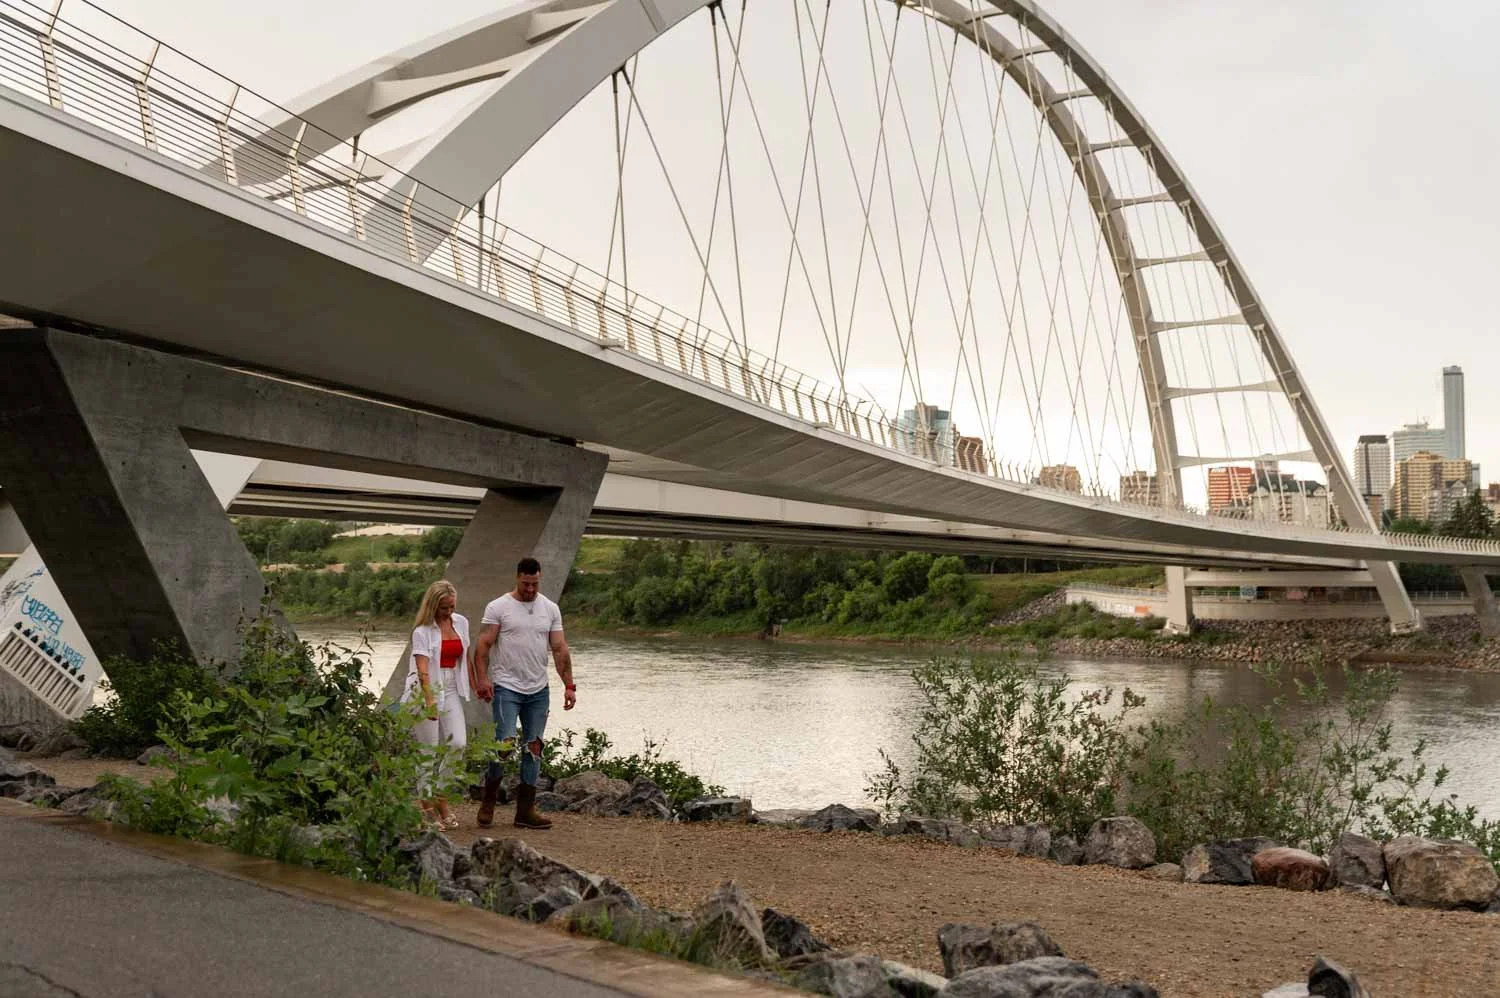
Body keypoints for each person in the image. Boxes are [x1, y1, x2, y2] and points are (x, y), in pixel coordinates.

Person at [473, 556, 576, 829]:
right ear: (517, 578)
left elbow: (559, 649)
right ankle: (489, 801)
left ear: (539, 579)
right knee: (504, 744)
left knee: (534, 747)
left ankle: (525, 811)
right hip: (506, 686)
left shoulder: (550, 609)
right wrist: (482, 679)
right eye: (526, 584)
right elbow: (483, 645)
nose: (530, 589)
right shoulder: (499, 607)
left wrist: (569, 685)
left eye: (535, 584)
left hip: (538, 689)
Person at [405, 579, 478, 831]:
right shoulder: (422, 631)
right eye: (444, 608)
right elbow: (423, 669)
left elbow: (464, 655)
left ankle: (441, 798)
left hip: (451, 688)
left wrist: (476, 683)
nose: (448, 613)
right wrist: (429, 700)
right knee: (428, 751)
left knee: (458, 744)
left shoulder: (462, 623)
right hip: (426, 689)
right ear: (433, 606)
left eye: (451, 607)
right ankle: (427, 809)